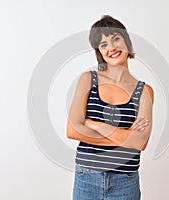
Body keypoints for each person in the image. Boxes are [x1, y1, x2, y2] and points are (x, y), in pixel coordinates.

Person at [66, 15, 154, 200]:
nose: (111, 48)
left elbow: (140, 143)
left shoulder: (144, 91)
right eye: (103, 44)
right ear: (99, 51)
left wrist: (97, 125)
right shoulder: (88, 80)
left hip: (125, 182)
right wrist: (126, 137)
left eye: (116, 39)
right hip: (86, 178)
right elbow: (72, 130)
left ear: (127, 42)